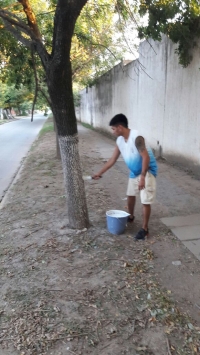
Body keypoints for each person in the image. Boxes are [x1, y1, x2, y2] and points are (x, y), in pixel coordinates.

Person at [92, 113, 158, 240]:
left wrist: (143, 177)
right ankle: (131, 216)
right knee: (130, 195)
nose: (112, 132)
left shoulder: (137, 137)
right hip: (135, 171)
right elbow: (112, 159)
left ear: (120, 127)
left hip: (147, 171)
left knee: (145, 200)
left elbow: (146, 157)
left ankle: (145, 229)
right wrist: (99, 173)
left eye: (113, 128)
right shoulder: (120, 141)